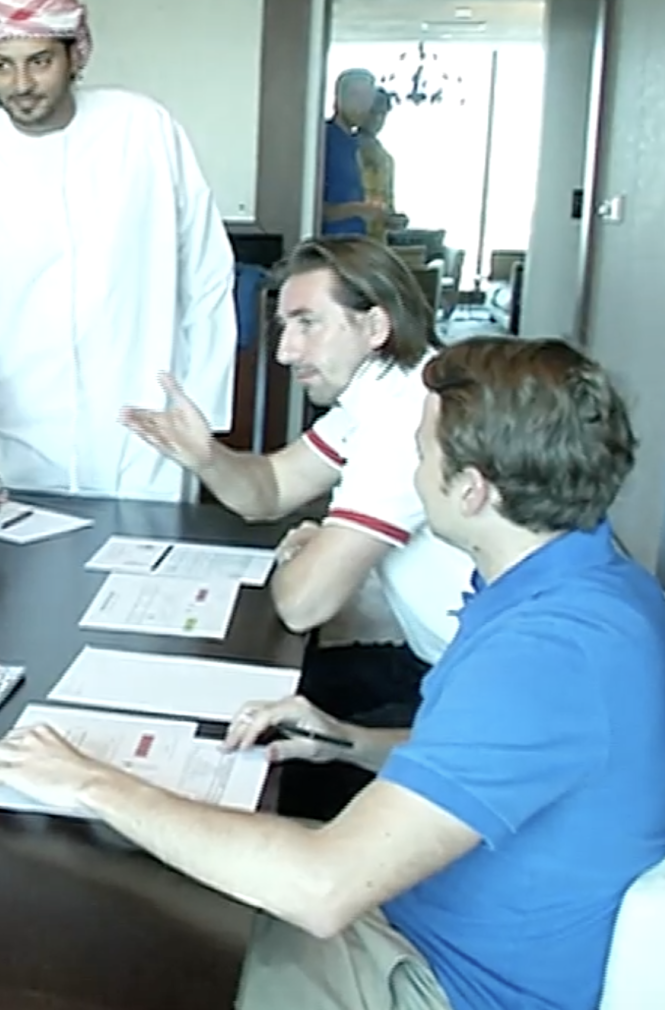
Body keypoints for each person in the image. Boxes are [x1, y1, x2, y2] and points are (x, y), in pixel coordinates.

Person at [0, 335, 665, 1010]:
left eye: (421, 454)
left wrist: (90, 781)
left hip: (439, 980)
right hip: (425, 918)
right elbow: (496, 762)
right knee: (145, 872)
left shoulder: (546, 655)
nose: (414, 473)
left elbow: (322, 888)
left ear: (473, 490)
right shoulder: (584, 585)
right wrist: (349, 741)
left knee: (107, 943)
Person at [124, 237, 471, 739]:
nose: (286, 352)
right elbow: (271, 488)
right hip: (437, 662)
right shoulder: (385, 391)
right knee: (257, 699)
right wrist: (207, 456)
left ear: (375, 326)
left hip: (472, 694)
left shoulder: (402, 421)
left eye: (307, 323)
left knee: (256, 730)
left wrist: (320, 550)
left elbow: (303, 603)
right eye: (285, 327)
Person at [0, 0, 237, 509]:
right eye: (3, 65)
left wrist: (202, 410)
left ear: (76, 56)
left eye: (39, 62)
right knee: (20, 558)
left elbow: (206, 273)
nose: (21, 84)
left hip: (147, 431)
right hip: (17, 440)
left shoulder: (143, 130)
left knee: (149, 560)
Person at [322, 69, 385, 236]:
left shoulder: (357, 145)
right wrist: (357, 209)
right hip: (329, 245)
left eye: (367, 98)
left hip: (356, 242)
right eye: (355, 96)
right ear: (338, 98)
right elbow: (307, 206)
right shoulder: (323, 139)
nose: (361, 105)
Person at [357, 90, 404, 242]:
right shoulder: (345, 149)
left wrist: (393, 220)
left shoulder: (387, 159)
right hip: (348, 236)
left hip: (375, 242)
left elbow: (388, 205)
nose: (377, 119)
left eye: (382, 114)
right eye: (372, 112)